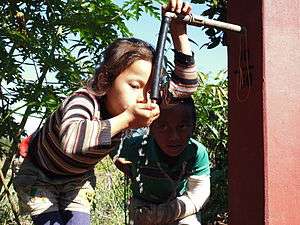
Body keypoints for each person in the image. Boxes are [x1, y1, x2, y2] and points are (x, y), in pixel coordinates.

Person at [12, 1, 198, 225]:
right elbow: (73, 140)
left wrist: (179, 32)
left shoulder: (140, 102)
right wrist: (127, 119)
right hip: (39, 176)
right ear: (106, 80)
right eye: (135, 85)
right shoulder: (84, 101)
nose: (144, 97)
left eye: (150, 89)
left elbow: (184, 88)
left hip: (76, 180)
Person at [111, 98, 210, 225]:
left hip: (179, 205)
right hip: (143, 207)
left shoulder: (196, 152)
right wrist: (120, 162)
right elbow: (109, 146)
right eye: (163, 126)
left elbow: (199, 194)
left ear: (193, 127)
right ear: (151, 127)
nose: (174, 136)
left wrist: (168, 212)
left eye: (182, 126)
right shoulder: (136, 147)